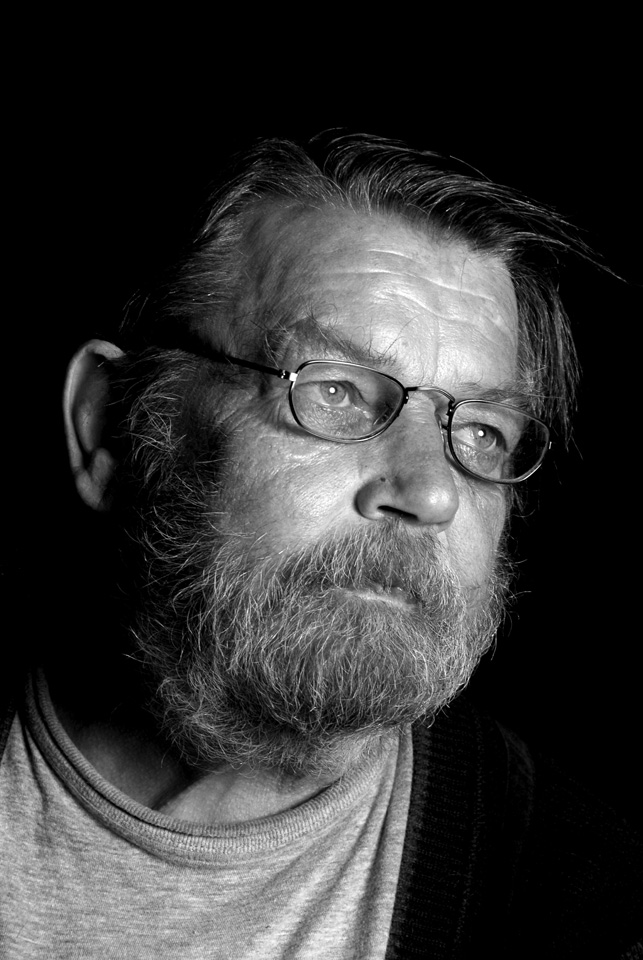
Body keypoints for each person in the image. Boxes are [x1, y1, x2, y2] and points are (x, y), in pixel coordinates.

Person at [1, 133, 641, 959]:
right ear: (108, 427)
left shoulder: (589, 913)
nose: (431, 492)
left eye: (482, 433)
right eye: (336, 390)